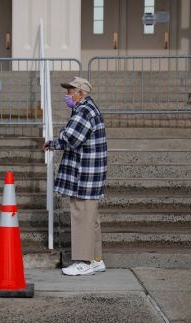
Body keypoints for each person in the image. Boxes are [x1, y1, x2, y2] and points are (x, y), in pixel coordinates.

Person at [43, 76, 108, 276]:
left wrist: (53, 142)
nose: (67, 95)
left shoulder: (83, 110)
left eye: (70, 91)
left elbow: (71, 138)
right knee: (91, 219)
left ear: (81, 93)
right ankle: (96, 260)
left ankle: (84, 261)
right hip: (91, 173)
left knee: (81, 217)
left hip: (84, 174)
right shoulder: (89, 108)